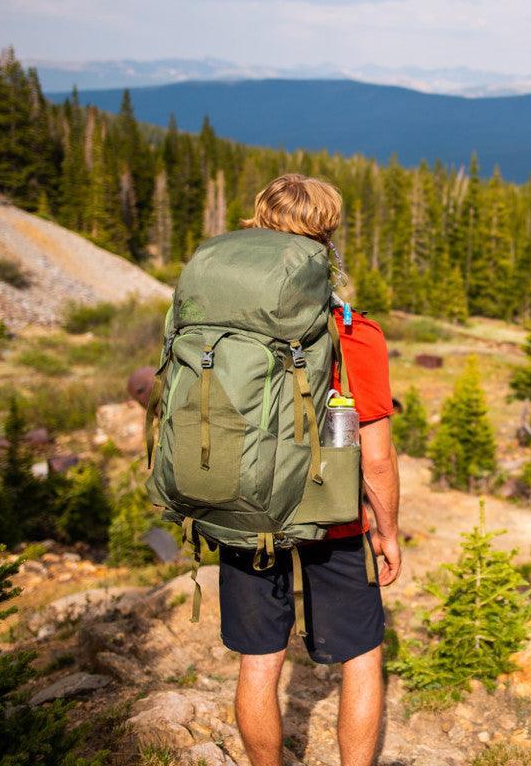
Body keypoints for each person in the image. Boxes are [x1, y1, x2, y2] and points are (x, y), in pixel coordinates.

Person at [219, 173, 401, 766]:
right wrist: (388, 532)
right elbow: (375, 458)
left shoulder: (221, 326)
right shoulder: (355, 333)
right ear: (328, 237)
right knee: (362, 655)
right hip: (335, 517)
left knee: (259, 659)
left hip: (247, 505)